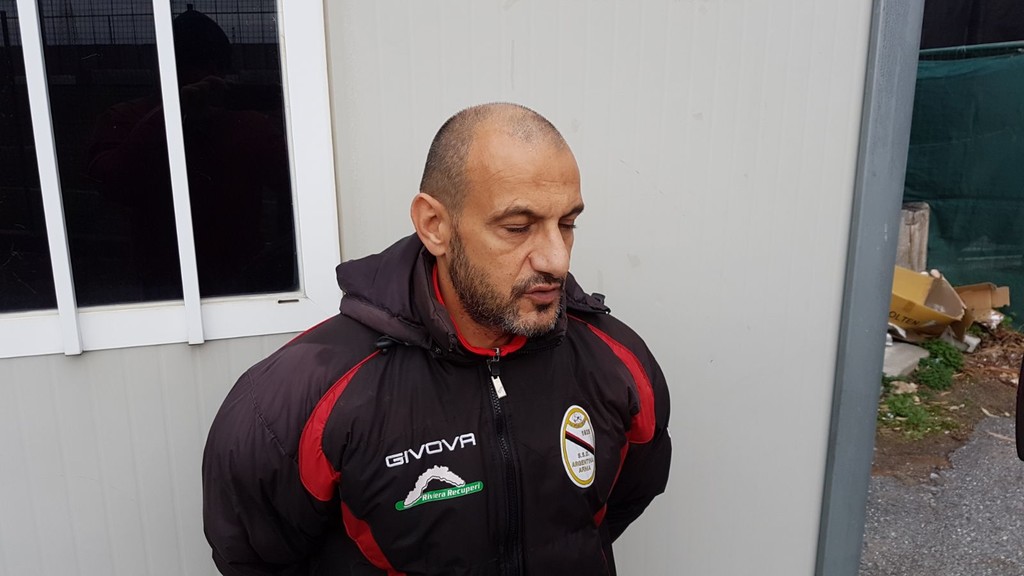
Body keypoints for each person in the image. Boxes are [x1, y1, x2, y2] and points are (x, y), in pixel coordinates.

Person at [202, 102, 672, 575]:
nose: (556, 259)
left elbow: (617, 505)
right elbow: (254, 559)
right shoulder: (301, 395)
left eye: (567, 224)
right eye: (518, 227)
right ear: (434, 226)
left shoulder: (617, 362)